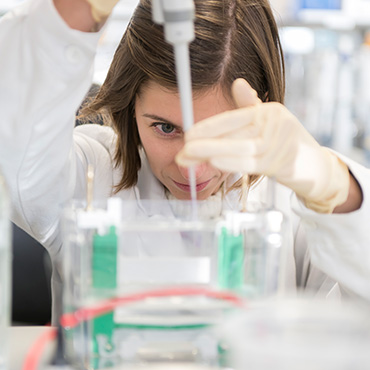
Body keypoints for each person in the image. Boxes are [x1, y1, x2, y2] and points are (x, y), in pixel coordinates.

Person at [0, 0, 369, 324]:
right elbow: (16, 147)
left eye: (221, 132)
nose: (193, 167)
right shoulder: (91, 173)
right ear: (132, 107)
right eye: (165, 128)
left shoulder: (298, 197)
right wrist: (74, 12)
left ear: (262, 103)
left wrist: (337, 190)